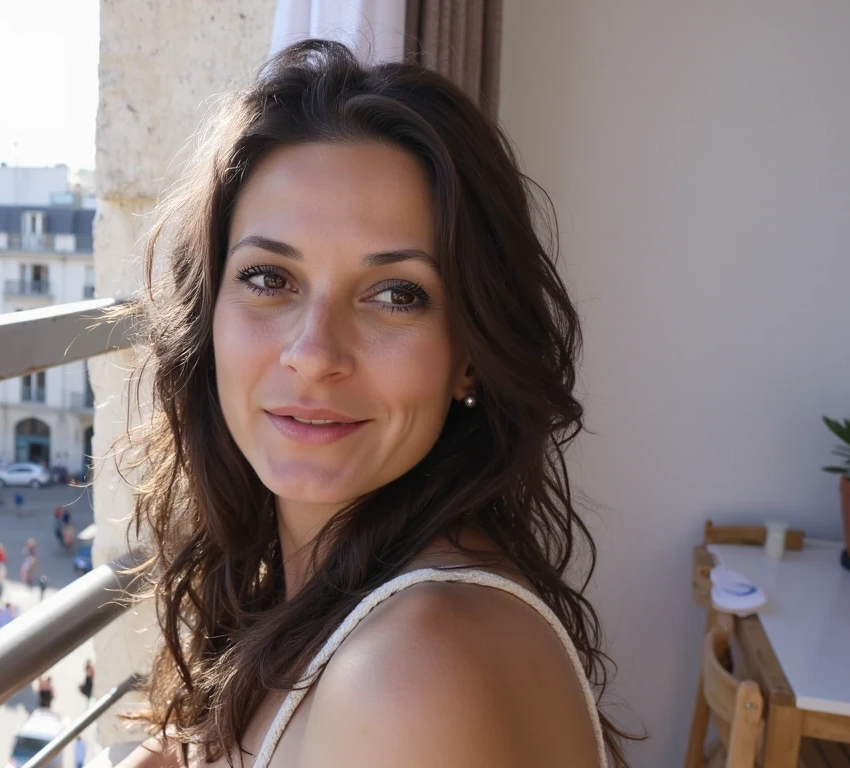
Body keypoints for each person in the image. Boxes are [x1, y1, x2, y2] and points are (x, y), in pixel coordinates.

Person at [112, 42, 623, 768]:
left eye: (396, 295)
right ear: (208, 317)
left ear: (469, 353)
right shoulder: (335, 603)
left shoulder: (407, 674)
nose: (315, 353)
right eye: (269, 277)